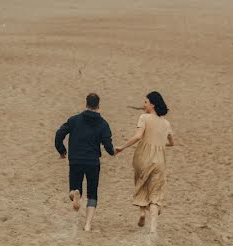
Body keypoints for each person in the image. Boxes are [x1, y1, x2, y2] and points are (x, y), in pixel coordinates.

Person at [115, 92, 175, 233]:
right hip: (159, 160)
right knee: (155, 194)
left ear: (152, 104)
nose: (144, 105)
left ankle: (142, 212)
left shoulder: (144, 117)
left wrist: (122, 147)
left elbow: (137, 137)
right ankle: (153, 229)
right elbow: (172, 143)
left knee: (141, 184)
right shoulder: (166, 123)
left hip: (143, 158)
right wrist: (158, 143)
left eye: (146, 102)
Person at [54, 93, 115, 231]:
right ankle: (87, 225)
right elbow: (108, 145)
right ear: (98, 106)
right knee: (92, 193)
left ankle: (74, 193)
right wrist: (113, 151)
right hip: (93, 162)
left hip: (75, 160)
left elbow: (59, 134)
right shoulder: (103, 124)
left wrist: (62, 150)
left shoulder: (74, 120)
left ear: (86, 104)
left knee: (74, 187)